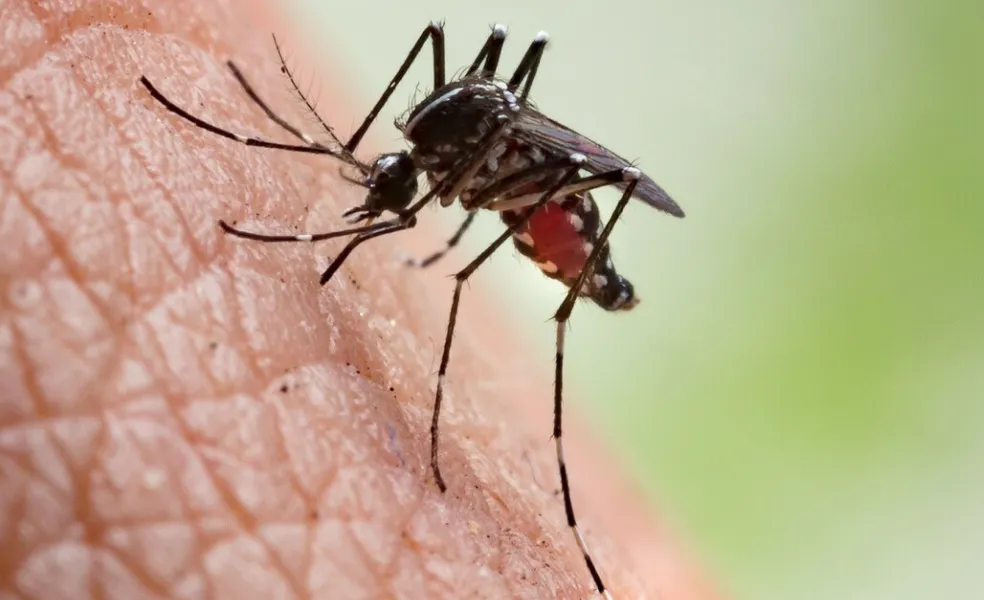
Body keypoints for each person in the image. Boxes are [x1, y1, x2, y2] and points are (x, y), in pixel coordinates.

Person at [0, 1, 719, 598]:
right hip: (503, 164)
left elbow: (599, 169)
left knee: (544, 163)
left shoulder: (453, 143)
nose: (382, 198)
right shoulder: (424, 135)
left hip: (561, 208)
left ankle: (558, 381)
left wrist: (461, 260)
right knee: (468, 52)